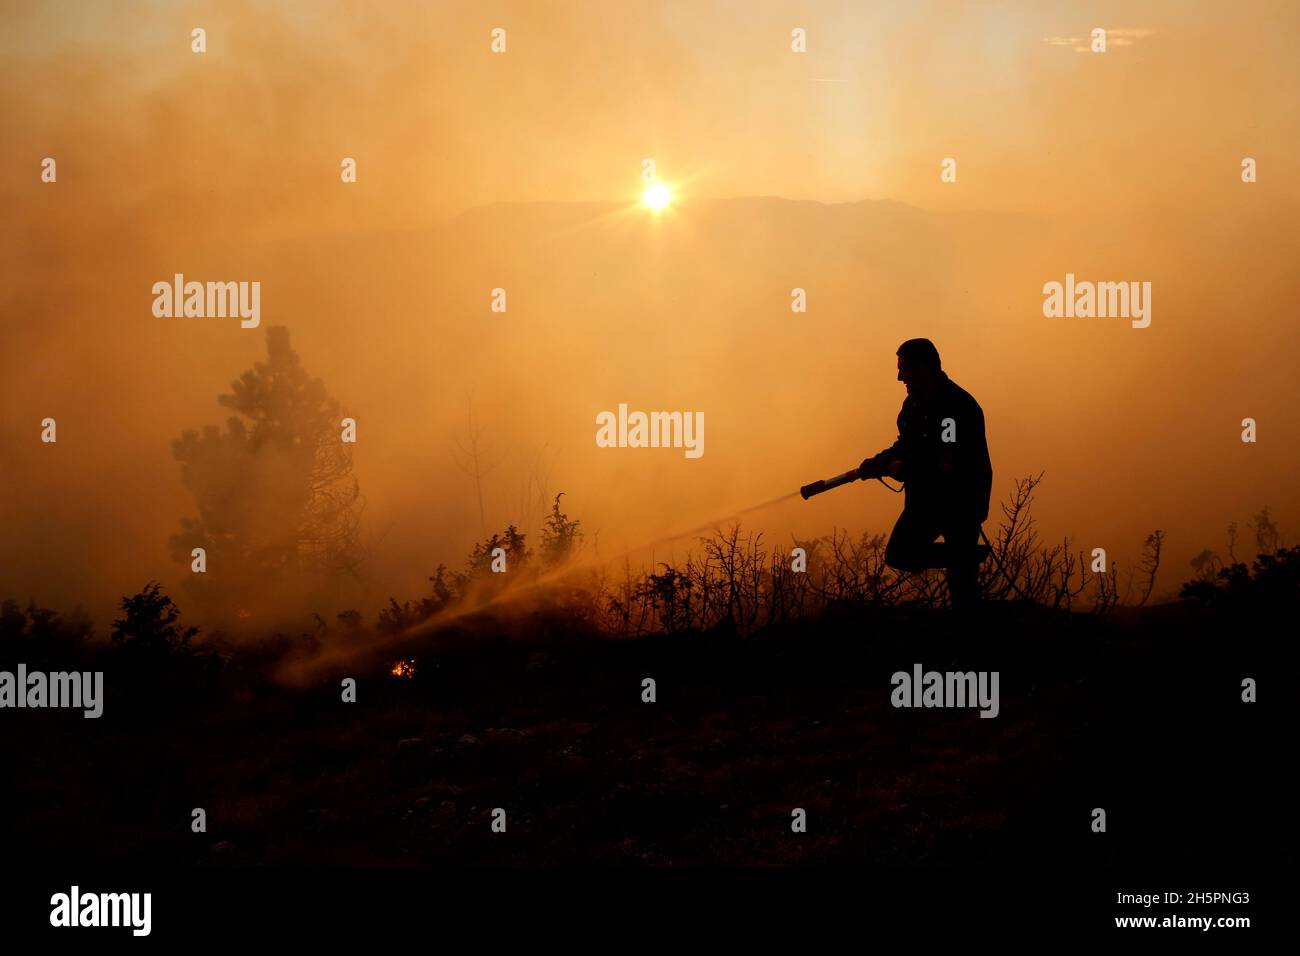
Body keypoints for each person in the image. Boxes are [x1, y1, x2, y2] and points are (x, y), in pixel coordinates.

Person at [859, 339, 993, 608]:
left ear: (923, 368)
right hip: (926, 500)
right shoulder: (912, 406)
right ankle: (965, 556)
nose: (899, 377)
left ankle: (965, 562)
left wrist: (903, 468)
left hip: (960, 500)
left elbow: (947, 459)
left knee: (963, 590)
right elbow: (907, 445)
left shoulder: (955, 407)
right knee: (900, 554)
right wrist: (880, 461)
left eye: (904, 369)